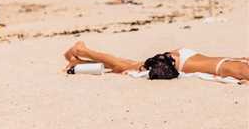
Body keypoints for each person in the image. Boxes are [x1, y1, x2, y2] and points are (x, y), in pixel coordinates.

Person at [63, 40, 248, 81]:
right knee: (123, 66)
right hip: (174, 64)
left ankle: (77, 64)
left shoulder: (242, 61)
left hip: (185, 56)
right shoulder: (241, 68)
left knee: (128, 65)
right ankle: (83, 50)